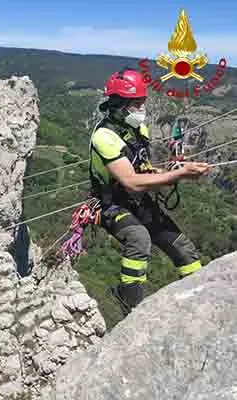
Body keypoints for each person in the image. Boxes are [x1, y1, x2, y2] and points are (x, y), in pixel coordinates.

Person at [89, 67, 211, 314]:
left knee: (181, 246)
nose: (142, 108)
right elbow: (131, 181)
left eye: (142, 102)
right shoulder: (104, 137)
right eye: (137, 103)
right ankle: (129, 301)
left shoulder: (136, 130)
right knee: (138, 239)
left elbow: (142, 170)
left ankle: (201, 296)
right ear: (120, 104)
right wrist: (178, 175)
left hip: (136, 200)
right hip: (111, 204)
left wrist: (175, 171)